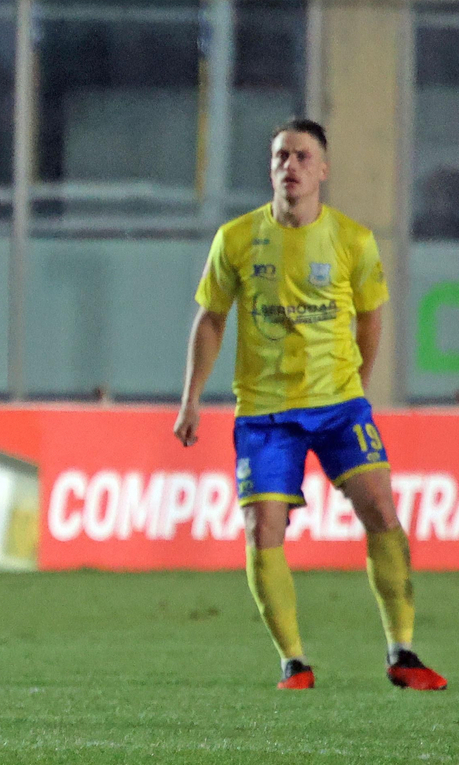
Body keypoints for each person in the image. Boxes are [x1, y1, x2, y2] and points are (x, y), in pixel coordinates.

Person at [174, 118, 446, 691]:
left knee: (381, 510)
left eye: (301, 156)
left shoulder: (352, 239)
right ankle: (294, 663)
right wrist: (191, 399)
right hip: (267, 413)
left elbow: (370, 317)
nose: (289, 166)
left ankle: (403, 652)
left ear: (322, 169)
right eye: (280, 156)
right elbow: (211, 317)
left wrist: (358, 387)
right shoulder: (237, 239)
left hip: (340, 406)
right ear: (271, 167)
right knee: (262, 528)